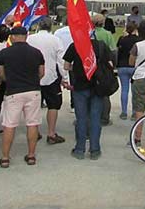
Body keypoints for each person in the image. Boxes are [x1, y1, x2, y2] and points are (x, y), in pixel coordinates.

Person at [0, 26, 44, 168]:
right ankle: (31, 155)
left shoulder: (4, 53)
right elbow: (41, 72)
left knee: (9, 124)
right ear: (26, 36)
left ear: (13, 37)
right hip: (33, 89)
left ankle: (5, 157)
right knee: (32, 123)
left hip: (13, 90)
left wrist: (8, 80)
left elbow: (2, 73)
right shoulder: (36, 52)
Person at [64, 28, 114, 160]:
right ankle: (95, 149)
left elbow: (66, 65)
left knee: (81, 118)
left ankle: (80, 148)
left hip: (80, 86)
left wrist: (76, 69)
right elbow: (110, 64)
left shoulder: (75, 46)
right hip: (97, 86)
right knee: (95, 118)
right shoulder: (102, 45)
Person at [27, 17, 67, 145]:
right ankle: (51, 133)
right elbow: (61, 61)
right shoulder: (56, 40)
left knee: (34, 106)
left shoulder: (30, 39)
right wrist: (65, 78)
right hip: (51, 76)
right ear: (51, 27)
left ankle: (35, 130)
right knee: (53, 105)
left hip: (33, 76)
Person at [92, 13, 115, 125]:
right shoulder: (108, 34)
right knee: (105, 92)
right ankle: (105, 117)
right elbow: (113, 49)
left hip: (92, 64)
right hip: (104, 65)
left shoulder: (90, 33)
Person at [115, 21, 140, 120]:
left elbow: (118, 51)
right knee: (135, 91)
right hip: (134, 66)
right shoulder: (138, 40)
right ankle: (134, 112)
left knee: (124, 90)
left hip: (122, 66)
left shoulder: (122, 39)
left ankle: (124, 112)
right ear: (135, 30)